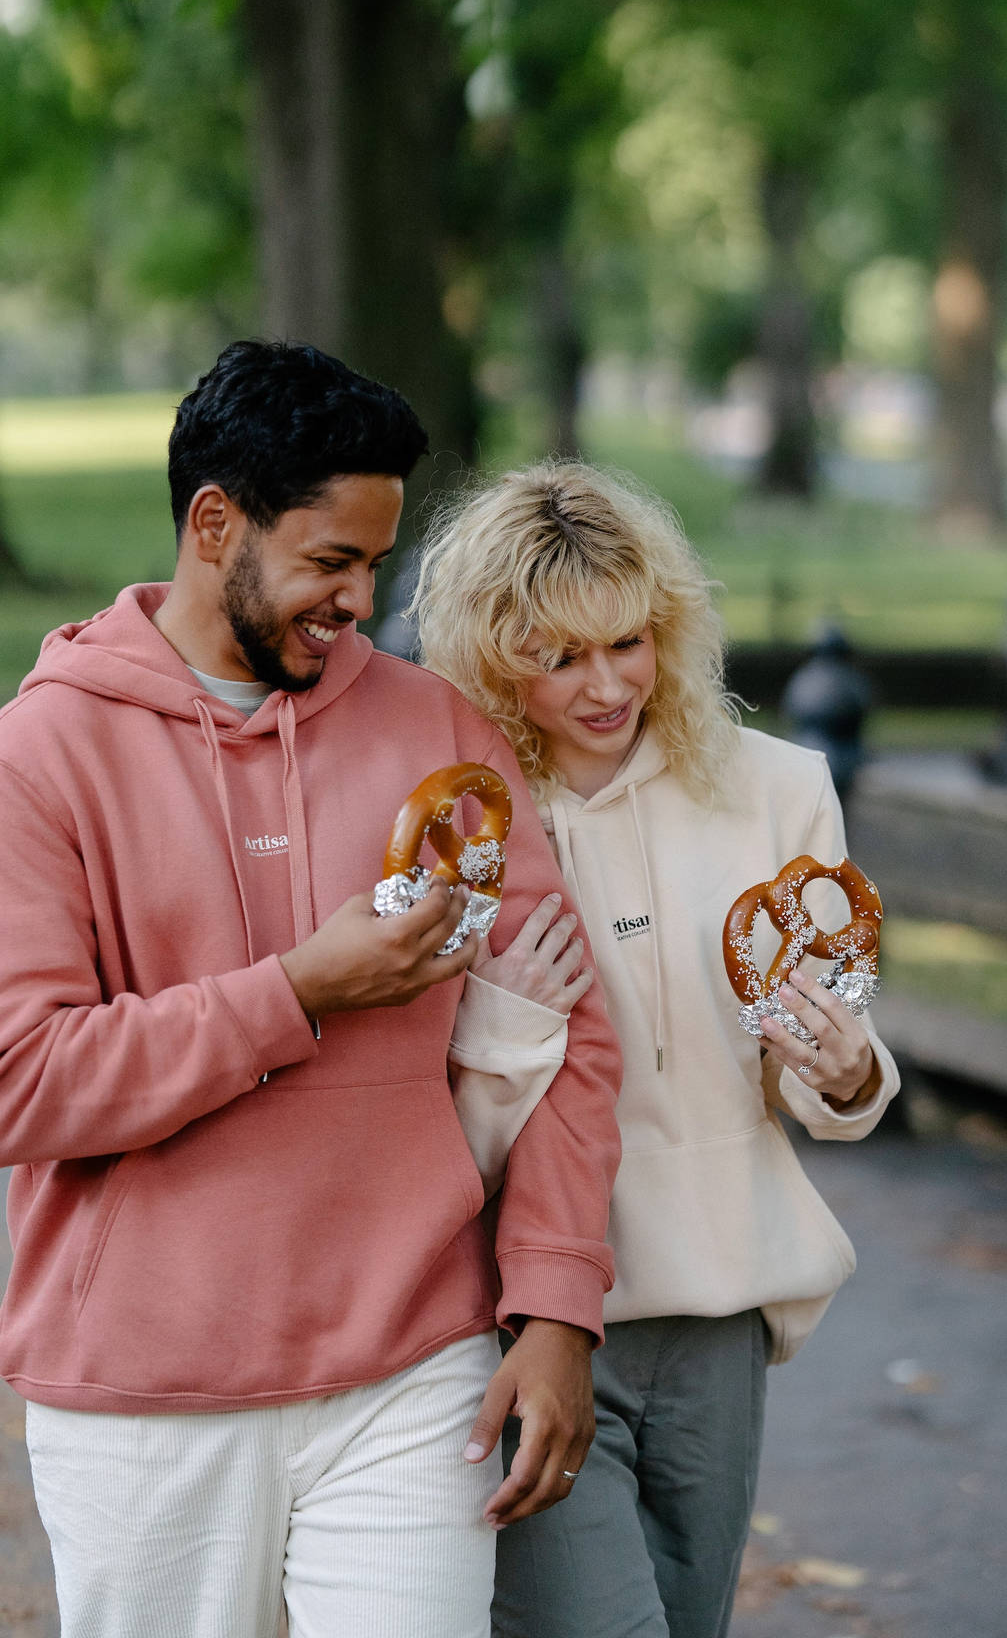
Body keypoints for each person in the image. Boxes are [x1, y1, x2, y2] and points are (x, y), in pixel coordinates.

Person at [0, 343, 622, 1638]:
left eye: (377, 563)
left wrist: (557, 1304)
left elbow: (571, 1024)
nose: (360, 598)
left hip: (412, 1365)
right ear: (214, 522)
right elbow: (26, 1080)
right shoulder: (42, 754)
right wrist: (297, 992)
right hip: (144, 1390)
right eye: (331, 561)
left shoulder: (432, 727)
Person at [412, 459, 901, 1638]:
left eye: (627, 642)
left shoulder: (777, 792)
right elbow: (423, 1125)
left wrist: (843, 1073)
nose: (604, 685)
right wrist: (505, 1033)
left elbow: (823, 1059)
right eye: (557, 655)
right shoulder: (460, 827)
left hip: (719, 1302)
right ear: (490, 659)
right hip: (521, 1313)